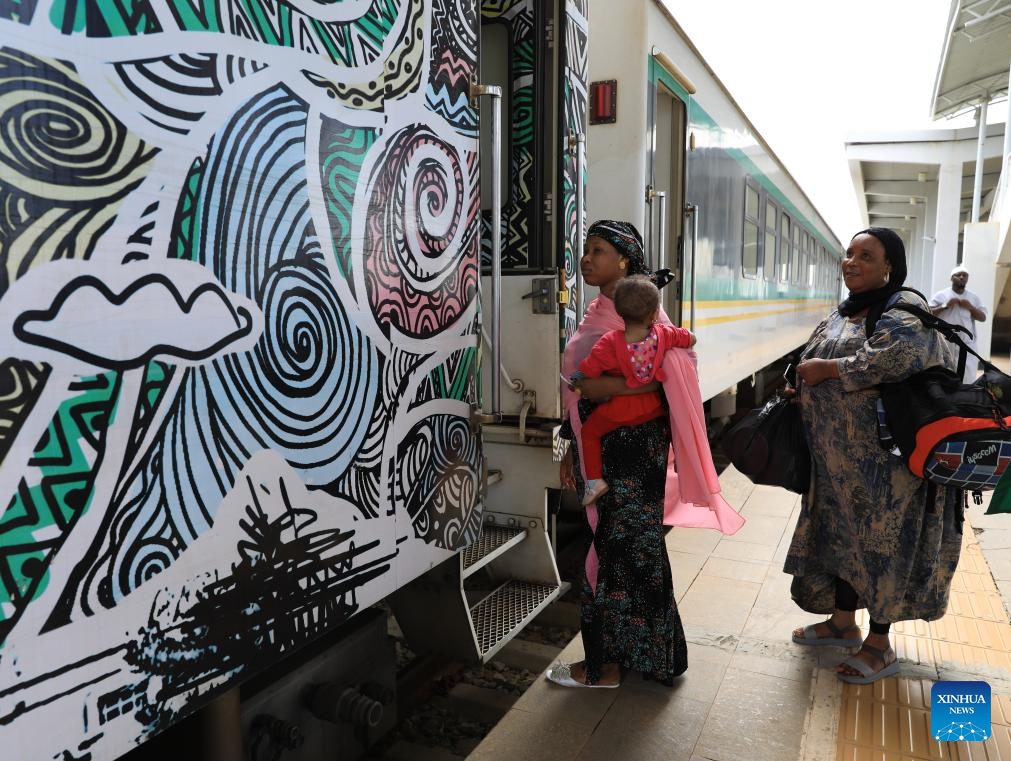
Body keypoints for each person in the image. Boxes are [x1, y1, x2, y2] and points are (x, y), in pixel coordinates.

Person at [546, 220, 742, 689]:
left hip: (631, 449)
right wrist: (574, 446)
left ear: (625, 261)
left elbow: (669, 377)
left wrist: (603, 386)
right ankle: (654, 657)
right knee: (631, 550)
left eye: (597, 251)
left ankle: (605, 667)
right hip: (603, 443)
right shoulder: (599, 311)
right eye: (586, 250)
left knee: (618, 551)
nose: (586, 258)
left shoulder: (647, 316)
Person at [786, 227, 964, 685]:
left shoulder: (905, 309)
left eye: (866, 256)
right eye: (849, 254)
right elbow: (815, 355)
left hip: (887, 472)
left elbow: (891, 360)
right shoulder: (846, 312)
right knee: (843, 542)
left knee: (884, 548)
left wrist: (827, 369)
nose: (852, 261)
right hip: (838, 469)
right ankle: (843, 623)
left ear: (890, 266)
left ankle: (880, 645)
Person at [569, 275, 696, 505]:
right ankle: (680, 459)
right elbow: (688, 338)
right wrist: (688, 337)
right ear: (654, 314)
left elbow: (590, 368)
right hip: (652, 407)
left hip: (619, 411)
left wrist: (577, 378)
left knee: (590, 432)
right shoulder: (663, 334)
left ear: (619, 313)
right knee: (673, 418)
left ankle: (594, 482)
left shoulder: (610, 341)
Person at [929, 265, 988, 382]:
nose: (961, 277)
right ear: (952, 278)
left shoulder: (973, 298)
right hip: (945, 342)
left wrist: (970, 307)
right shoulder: (941, 295)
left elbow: (983, 317)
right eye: (958, 275)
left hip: (966, 343)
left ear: (967, 278)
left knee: (967, 376)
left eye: (964, 275)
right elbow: (928, 313)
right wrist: (945, 306)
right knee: (945, 374)